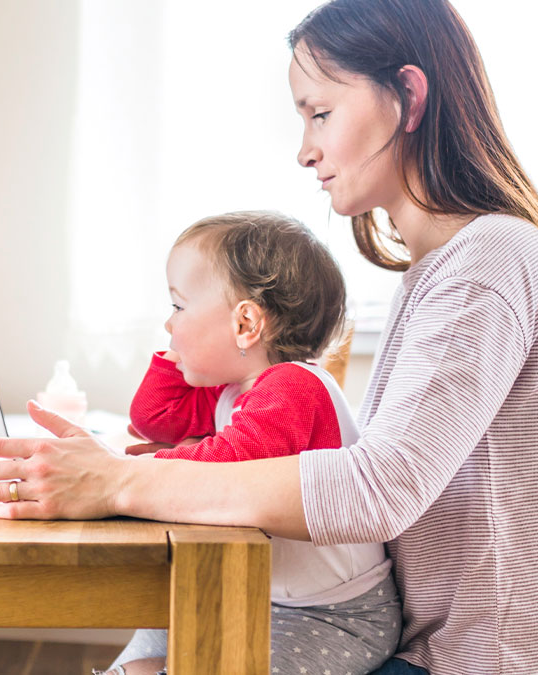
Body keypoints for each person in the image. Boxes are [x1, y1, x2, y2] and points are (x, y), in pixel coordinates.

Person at [0, 0, 538, 672]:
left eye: (320, 112)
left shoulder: (491, 261)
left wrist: (121, 481)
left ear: (408, 97)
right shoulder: (436, 275)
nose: (305, 149)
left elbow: (378, 488)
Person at [105, 211, 401, 675]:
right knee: (139, 651)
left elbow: (226, 465)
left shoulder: (294, 386)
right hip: (259, 592)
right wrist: (172, 356)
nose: (168, 324)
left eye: (178, 308)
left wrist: (125, 476)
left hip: (331, 617)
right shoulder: (233, 391)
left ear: (246, 324)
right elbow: (153, 420)